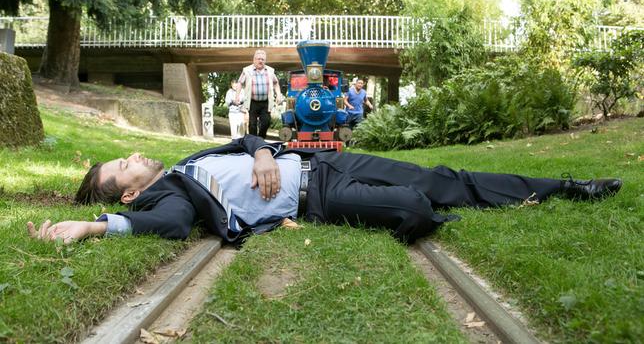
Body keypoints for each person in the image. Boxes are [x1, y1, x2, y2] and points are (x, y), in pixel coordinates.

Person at [27, 135, 622, 245]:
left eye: (125, 155)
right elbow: (175, 229)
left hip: (325, 162)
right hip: (320, 201)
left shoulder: (187, 162)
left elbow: (248, 140)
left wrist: (262, 150)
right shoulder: (173, 197)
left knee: (446, 179)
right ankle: (431, 221)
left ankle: (567, 188)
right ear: (128, 194)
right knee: (416, 207)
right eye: (121, 168)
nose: (132, 158)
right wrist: (92, 225)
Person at [236, 50, 283, 138]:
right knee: (252, 124)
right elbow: (239, 83)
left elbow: (276, 83)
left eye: (262, 59)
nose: (260, 61)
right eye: (258, 59)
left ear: (265, 61)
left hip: (265, 102)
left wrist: (279, 95)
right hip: (252, 102)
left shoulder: (270, 71)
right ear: (254, 60)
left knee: (266, 122)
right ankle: (253, 142)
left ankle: (260, 139)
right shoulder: (247, 70)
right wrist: (237, 96)